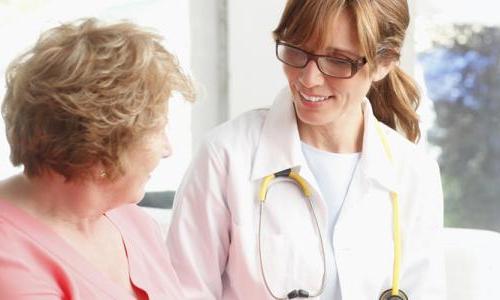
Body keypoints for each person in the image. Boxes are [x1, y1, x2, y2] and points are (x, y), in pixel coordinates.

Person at [167, 0, 445, 299]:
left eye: (338, 60)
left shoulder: (414, 171)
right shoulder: (226, 155)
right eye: (296, 50)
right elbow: (184, 291)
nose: (309, 79)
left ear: (384, 62)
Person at [0, 18, 193, 299]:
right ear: (99, 149)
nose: (167, 149)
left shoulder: (132, 220)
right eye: (158, 130)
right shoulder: (11, 261)